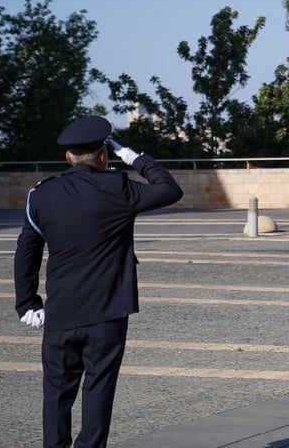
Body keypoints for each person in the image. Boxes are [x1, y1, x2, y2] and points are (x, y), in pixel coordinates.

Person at [13, 115, 184, 448]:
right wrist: (136, 158)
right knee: (98, 393)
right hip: (106, 313)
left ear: (67, 157)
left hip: (60, 313)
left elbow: (26, 252)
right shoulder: (117, 187)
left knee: (56, 397)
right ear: (104, 155)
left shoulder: (41, 195)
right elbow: (169, 189)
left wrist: (26, 302)